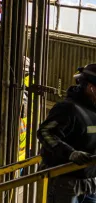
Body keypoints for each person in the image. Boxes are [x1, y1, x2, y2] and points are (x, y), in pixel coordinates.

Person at [38, 64, 96, 203]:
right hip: (66, 183)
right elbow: (45, 132)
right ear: (91, 88)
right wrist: (70, 153)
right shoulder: (68, 108)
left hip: (90, 181)